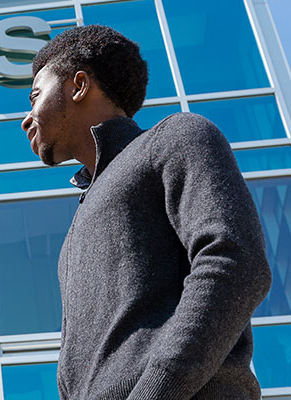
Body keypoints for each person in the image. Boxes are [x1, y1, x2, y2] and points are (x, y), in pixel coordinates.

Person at [21, 25, 272, 399]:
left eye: (35, 96)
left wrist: (154, 391)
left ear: (78, 86)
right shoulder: (79, 224)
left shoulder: (176, 137)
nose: (27, 119)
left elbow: (235, 261)